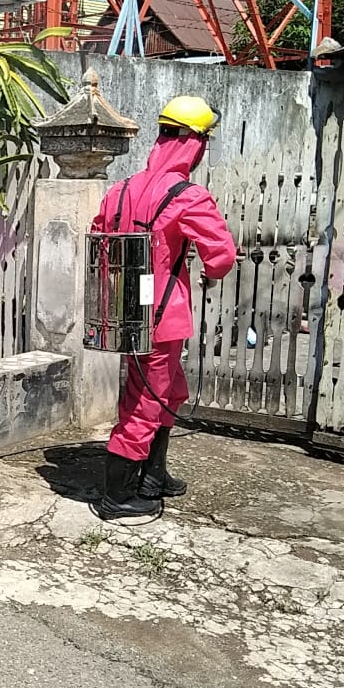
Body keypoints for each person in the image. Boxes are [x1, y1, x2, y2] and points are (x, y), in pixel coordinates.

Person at [89, 96, 238, 523]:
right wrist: (207, 262)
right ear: (195, 145)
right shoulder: (188, 195)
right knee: (144, 402)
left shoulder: (120, 189)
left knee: (169, 391)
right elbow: (221, 258)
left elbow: (100, 241)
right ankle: (116, 496)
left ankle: (153, 476)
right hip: (161, 319)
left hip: (124, 312)